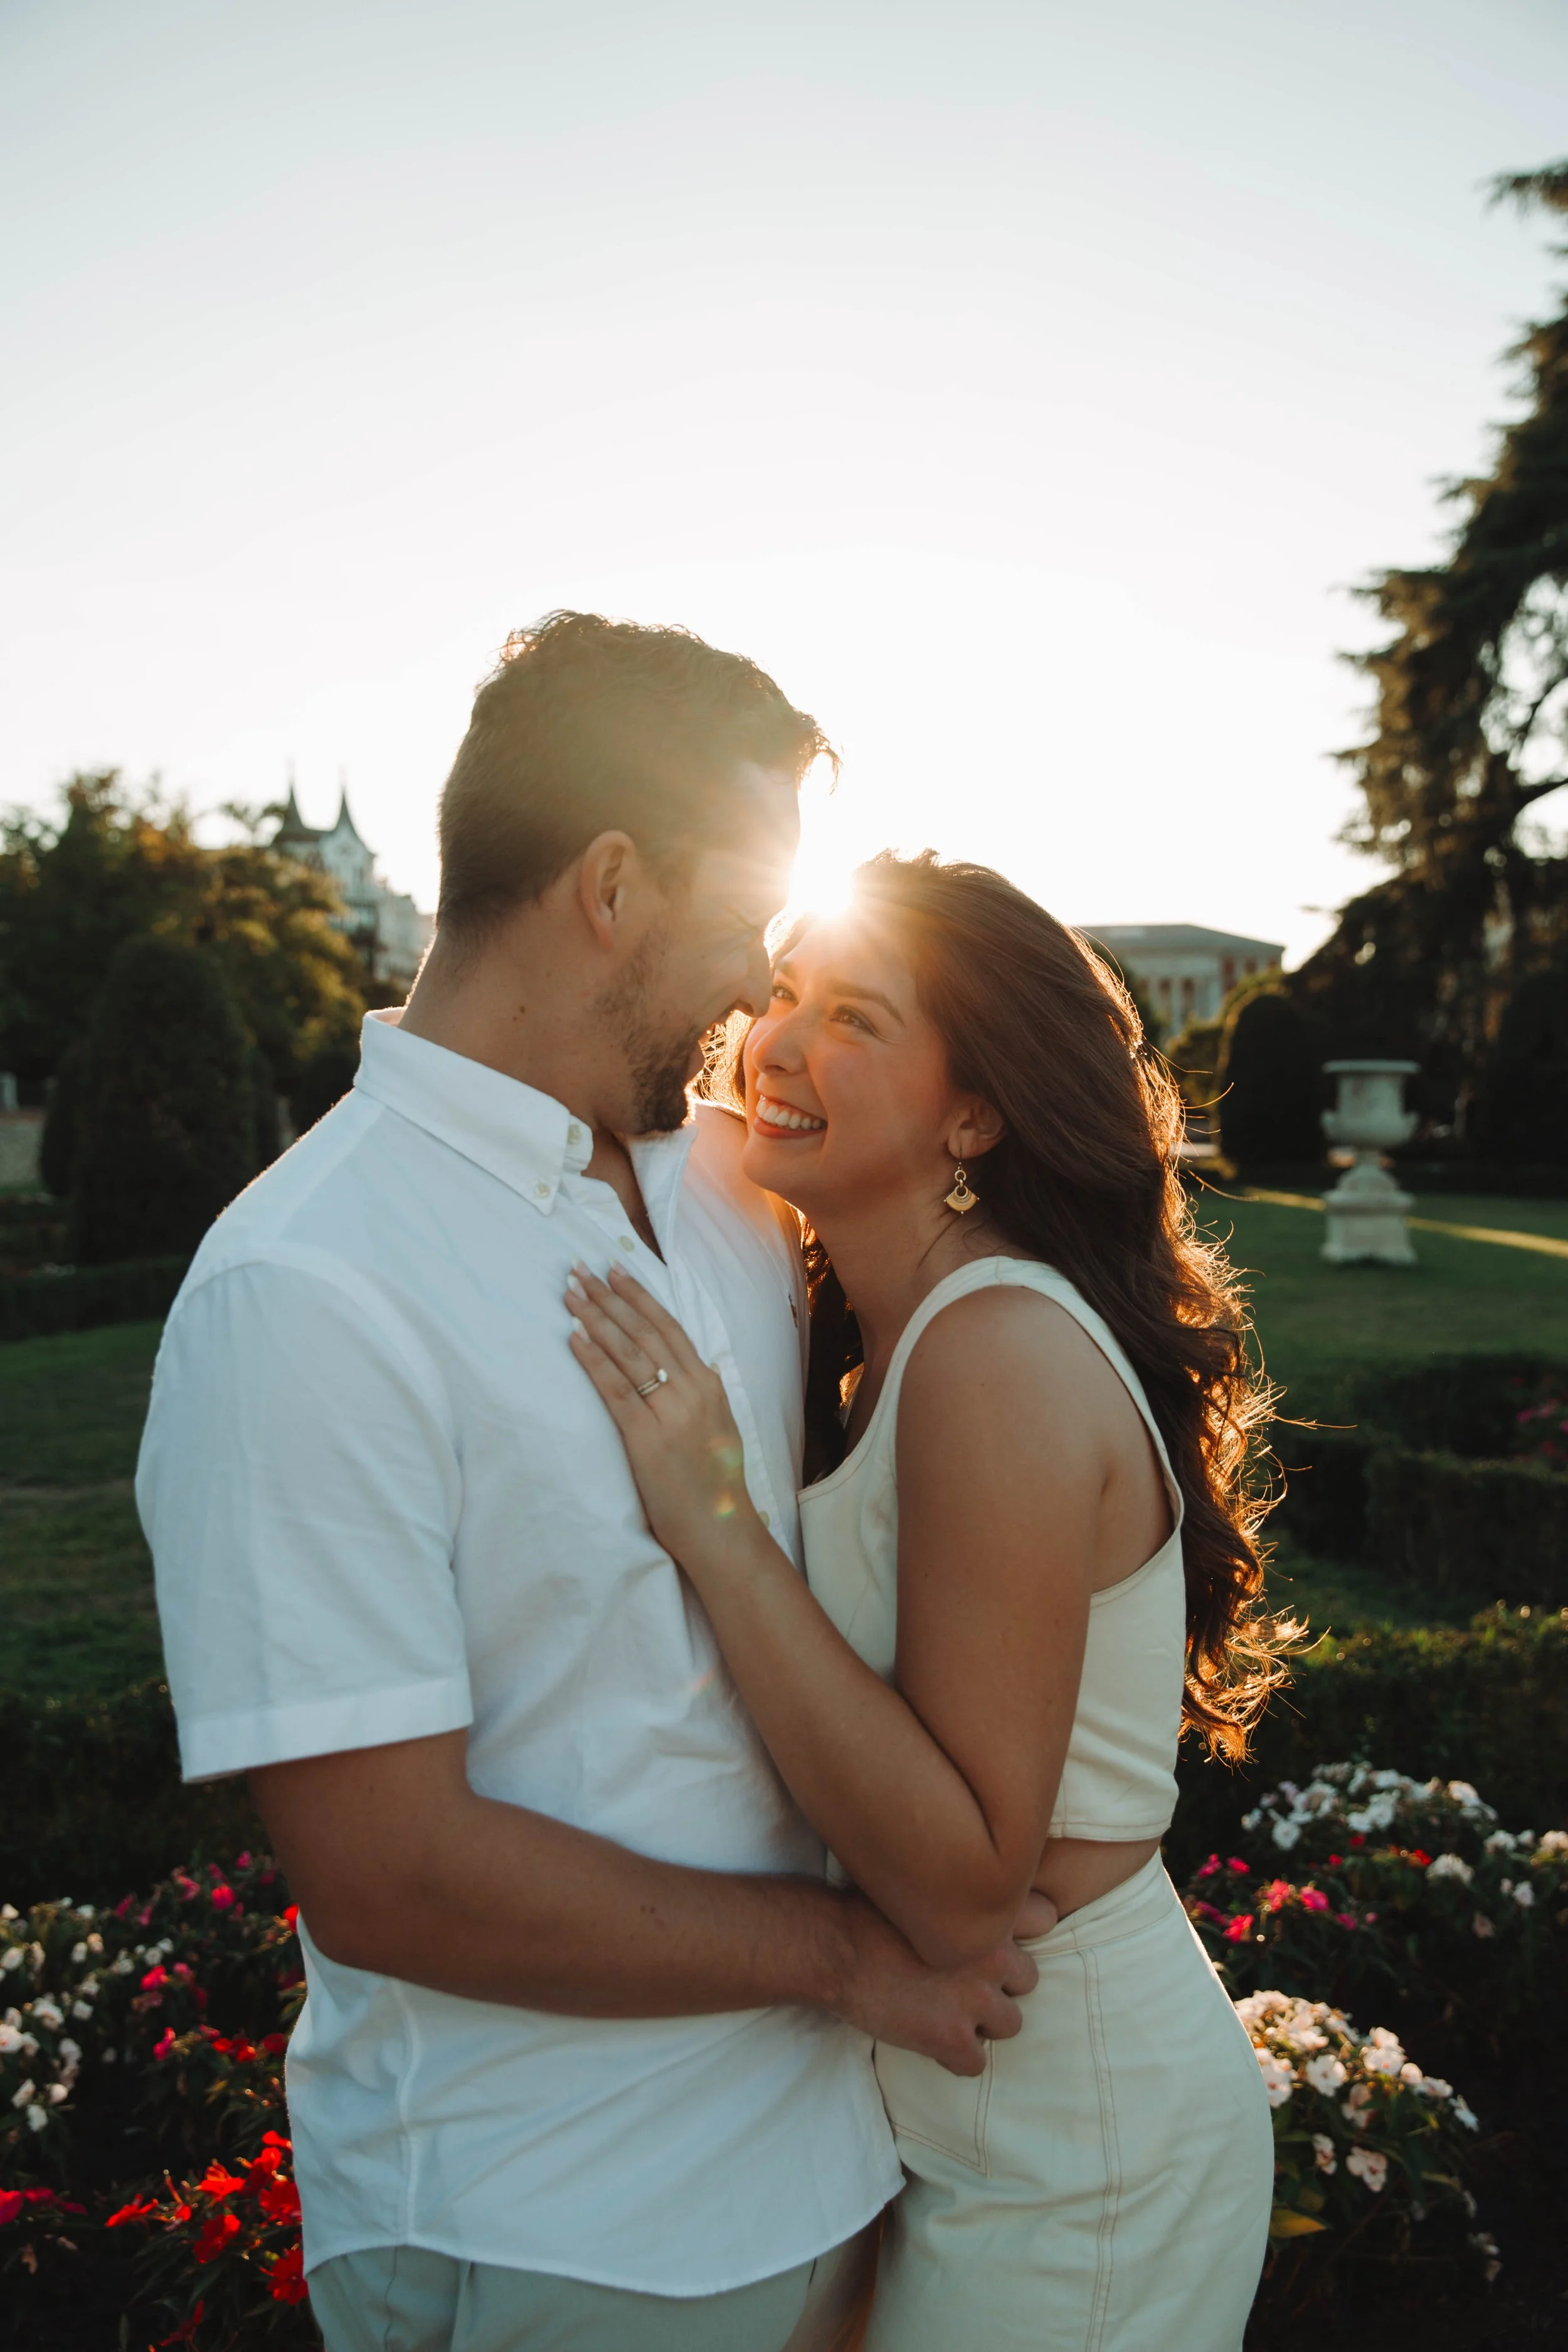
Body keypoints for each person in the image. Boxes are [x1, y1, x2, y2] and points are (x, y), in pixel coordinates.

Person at [137, 623, 1039, 2352]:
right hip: (555, 2228)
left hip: (844, 2169)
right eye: (741, 919)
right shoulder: (306, 1286)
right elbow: (392, 1871)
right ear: (613, 883)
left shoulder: (722, 1189)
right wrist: (854, 1958)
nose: (754, 984)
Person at [567, 850, 1285, 2352]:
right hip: (960, 2101)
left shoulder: (992, 1353)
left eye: (853, 1017)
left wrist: (711, 1517)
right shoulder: (882, 1327)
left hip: (1075, 2144)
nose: (776, 1042)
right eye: (777, 995)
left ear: (972, 1113)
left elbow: (963, 1889)